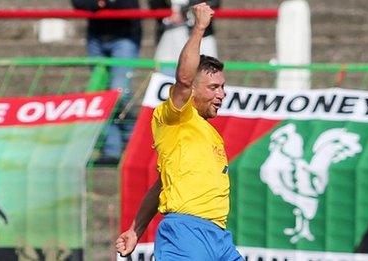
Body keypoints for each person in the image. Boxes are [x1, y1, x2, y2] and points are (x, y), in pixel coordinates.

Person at [115, 3, 242, 260]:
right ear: (193, 90)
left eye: (222, 87)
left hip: (218, 235)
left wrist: (135, 229)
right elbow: (183, 79)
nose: (221, 95)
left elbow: (162, 185)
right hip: (186, 233)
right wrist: (199, 28)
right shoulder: (175, 117)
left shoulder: (207, 132)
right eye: (214, 87)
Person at [71, 0, 142, 165]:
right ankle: (111, 149)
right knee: (101, 95)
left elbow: (127, 5)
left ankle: (131, 139)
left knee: (119, 92)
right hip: (96, 37)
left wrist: (101, 3)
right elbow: (79, 3)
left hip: (124, 37)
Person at [149, 0, 220, 76]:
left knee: (204, 77)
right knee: (166, 78)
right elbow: (155, 5)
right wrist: (169, 15)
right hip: (169, 43)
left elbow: (213, 4)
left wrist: (184, 12)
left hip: (201, 42)